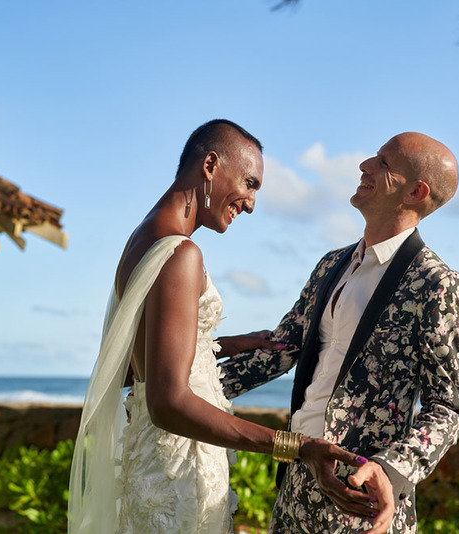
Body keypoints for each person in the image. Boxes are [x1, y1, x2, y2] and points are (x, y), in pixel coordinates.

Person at [67, 119, 373, 534]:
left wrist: (226, 344)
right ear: (210, 165)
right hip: (179, 472)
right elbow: (167, 401)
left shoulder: (143, 239)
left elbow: (134, 365)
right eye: (249, 183)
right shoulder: (181, 254)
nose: (250, 204)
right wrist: (295, 447)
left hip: (152, 465)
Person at [219, 132, 459, 534]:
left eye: (383, 163)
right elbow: (280, 350)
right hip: (296, 480)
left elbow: (448, 407)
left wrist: (389, 469)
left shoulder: (437, 284)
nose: (364, 165)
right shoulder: (331, 264)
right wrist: (184, 384)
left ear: (415, 192)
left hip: (362, 498)